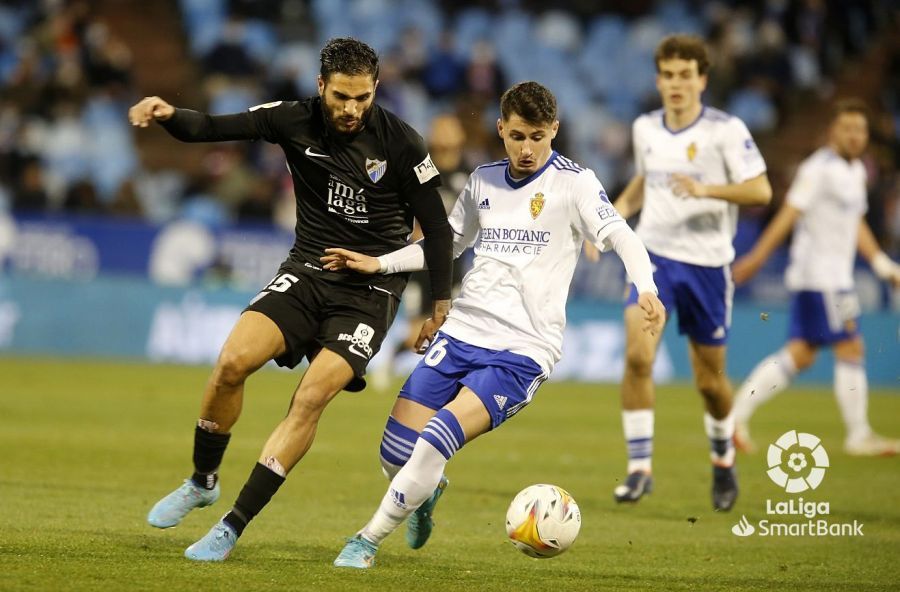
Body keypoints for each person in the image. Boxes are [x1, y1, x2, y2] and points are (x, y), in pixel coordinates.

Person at [128, 37, 453, 561]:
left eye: (363, 98)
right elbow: (211, 128)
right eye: (342, 97)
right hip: (306, 271)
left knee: (309, 398)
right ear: (320, 86)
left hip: (369, 293)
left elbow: (439, 232)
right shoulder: (291, 119)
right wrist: (167, 114)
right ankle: (202, 481)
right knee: (231, 362)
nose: (352, 110)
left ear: (376, 91)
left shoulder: (401, 143)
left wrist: (439, 309)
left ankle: (232, 526)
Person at [319, 81, 665, 569]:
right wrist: (377, 264)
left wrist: (646, 287)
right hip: (462, 332)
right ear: (501, 129)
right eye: (518, 136)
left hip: (522, 349)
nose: (527, 149)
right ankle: (427, 489)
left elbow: (622, 237)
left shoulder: (576, 182)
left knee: (439, 434)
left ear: (555, 131)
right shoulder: (482, 180)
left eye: (539, 137)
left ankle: (366, 540)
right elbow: (445, 244)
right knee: (397, 454)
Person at [610, 34, 772, 510]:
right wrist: (616, 213)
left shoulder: (725, 130)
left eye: (685, 75)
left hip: (707, 266)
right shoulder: (645, 128)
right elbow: (645, 180)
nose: (676, 83)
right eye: (668, 75)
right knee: (639, 357)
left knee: (709, 383)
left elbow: (760, 190)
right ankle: (639, 468)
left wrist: (706, 191)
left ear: (702, 79)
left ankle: (722, 458)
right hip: (655, 260)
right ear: (658, 80)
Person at [731, 98, 900, 456]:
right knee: (851, 346)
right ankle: (859, 436)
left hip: (829, 278)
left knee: (802, 354)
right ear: (832, 132)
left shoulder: (856, 171)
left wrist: (883, 266)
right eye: (847, 129)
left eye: (860, 130)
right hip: (821, 277)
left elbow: (856, 225)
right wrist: (758, 258)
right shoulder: (818, 168)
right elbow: (789, 213)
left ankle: (733, 418)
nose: (854, 136)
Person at [370, 113, 470, 390]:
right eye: (440, 126)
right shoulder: (422, 169)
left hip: (453, 262)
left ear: (460, 135)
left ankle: (446, 377)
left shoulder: (471, 175)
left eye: (450, 126)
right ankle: (390, 358)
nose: (444, 132)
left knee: (451, 325)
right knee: (416, 328)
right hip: (420, 259)